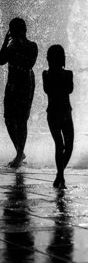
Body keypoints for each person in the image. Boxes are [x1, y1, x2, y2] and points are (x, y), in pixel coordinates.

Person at [0, 18, 38, 168]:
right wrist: (5, 42)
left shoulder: (31, 45)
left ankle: (19, 154)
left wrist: (14, 48)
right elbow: (0, 60)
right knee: (8, 119)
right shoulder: (10, 45)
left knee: (21, 120)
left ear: (22, 30)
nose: (12, 33)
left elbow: (29, 63)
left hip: (26, 84)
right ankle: (19, 152)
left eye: (14, 30)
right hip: (12, 85)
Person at [43, 45, 74, 189]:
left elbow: (68, 89)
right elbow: (66, 89)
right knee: (64, 146)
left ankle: (59, 175)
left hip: (58, 113)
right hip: (61, 114)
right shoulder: (48, 74)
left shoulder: (66, 73)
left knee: (64, 146)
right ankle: (60, 176)